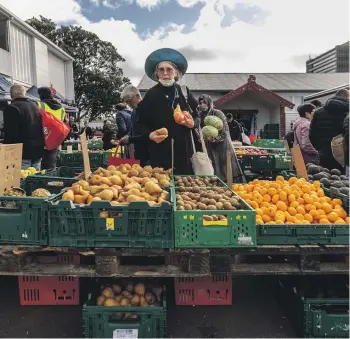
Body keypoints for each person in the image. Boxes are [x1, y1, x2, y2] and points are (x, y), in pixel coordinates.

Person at [135, 48, 200, 174]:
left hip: (184, 152)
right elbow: (139, 123)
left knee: (183, 187)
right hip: (159, 153)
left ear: (176, 73)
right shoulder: (151, 94)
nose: (165, 73)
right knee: (161, 188)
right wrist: (150, 135)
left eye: (169, 69)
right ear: (157, 74)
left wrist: (193, 123)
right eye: (161, 70)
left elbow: (198, 115)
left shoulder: (184, 91)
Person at [198, 94, 245, 182]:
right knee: (213, 166)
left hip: (222, 144)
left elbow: (225, 130)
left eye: (204, 102)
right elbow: (200, 130)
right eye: (200, 103)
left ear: (209, 103)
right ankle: (217, 188)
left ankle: (230, 186)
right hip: (209, 145)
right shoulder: (200, 115)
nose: (202, 105)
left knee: (225, 166)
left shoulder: (217, 113)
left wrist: (216, 139)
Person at [3, 84, 44, 170]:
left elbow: (11, 134)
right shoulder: (35, 106)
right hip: (38, 150)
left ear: (11, 95)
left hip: (22, 154)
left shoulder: (12, 108)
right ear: (24, 93)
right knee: (35, 180)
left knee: (22, 181)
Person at [310, 89, 349, 171]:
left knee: (324, 177)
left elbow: (312, 134)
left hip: (324, 151)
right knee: (342, 180)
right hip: (342, 151)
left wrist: (320, 148)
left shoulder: (318, 112)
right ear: (347, 97)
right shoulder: (347, 111)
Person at [118, 85, 149, 164]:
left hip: (149, 155)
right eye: (126, 102)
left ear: (137, 96)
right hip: (139, 154)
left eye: (129, 101)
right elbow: (132, 130)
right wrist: (126, 136)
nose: (128, 104)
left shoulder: (147, 110)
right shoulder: (134, 112)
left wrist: (130, 139)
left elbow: (150, 135)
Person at [37, 86, 67, 170]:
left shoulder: (39, 105)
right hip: (55, 138)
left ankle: (42, 181)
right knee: (51, 164)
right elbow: (63, 122)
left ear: (40, 95)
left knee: (40, 165)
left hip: (42, 137)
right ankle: (50, 181)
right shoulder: (61, 108)